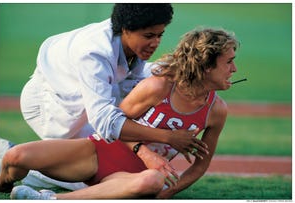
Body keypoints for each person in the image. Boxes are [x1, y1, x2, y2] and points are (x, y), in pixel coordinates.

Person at [0, 27, 239, 199]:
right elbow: (115, 124)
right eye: (229, 62)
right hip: (96, 152)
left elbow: (199, 165)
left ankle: (48, 200)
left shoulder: (217, 111)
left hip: (135, 176)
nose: (234, 69)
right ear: (206, 65)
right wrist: (151, 147)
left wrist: (167, 193)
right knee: (15, 157)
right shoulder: (159, 86)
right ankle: (1, 188)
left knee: (153, 180)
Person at [15, 3, 208, 190]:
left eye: (160, 35)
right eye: (149, 36)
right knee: (100, 167)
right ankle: (18, 162)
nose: (155, 43)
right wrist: (166, 138)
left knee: (116, 163)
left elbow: (143, 76)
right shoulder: (94, 53)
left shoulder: (132, 41)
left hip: (80, 101)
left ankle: (38, 170)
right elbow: (103, 119)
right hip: (49, 106)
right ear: (125, 29)